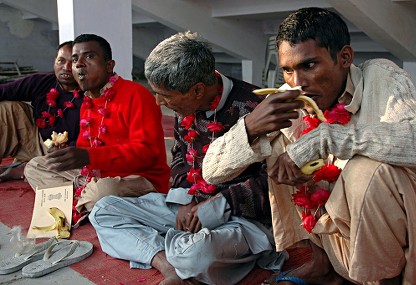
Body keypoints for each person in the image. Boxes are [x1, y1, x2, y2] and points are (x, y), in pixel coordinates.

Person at [202, 7, 416, 285]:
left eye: (309, 65)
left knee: (366, 172)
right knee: (280, 149)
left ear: (344, 57)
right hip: (338, 249)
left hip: (406, 256)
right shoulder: (290, 100)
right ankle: (323, 264)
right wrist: (250, 126)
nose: (298, 83)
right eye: (287, 70)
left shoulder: (382, 78)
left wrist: (324, 139)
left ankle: (382, 280)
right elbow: (212, 172)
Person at [89, 31, 285, 285]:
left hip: (241, 221)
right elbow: (181, 155)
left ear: (197, 90)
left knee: (196, 256)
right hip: (191, 208)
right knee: (104, 210)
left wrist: (216, 205)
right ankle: (166, 263)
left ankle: (177, 251)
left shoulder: (256, 109)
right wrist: (184, 197)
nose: (158, 102)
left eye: (165, 95)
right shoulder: (187, 106)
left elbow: (273, 182)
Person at [24, 34, 170, 223]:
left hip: (140, 177)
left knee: (103, 192)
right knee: (35, 167)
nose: (78, 64)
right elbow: (88, 148)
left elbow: (147, 153)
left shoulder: (136, 95)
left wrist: (89, 156)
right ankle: (87, 204)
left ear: (109, 65)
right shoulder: (88, 100)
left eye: (89, 57)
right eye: (75, 59)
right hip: (97, 175)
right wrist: (71, 156)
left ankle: (77, 202)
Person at [0, 41, 82, 182]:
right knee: (6, 109)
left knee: (85, 176)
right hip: (34, 140)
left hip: (66, 154)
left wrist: (67, 149)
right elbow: (4, 91)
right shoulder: (43, 82)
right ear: (54, 61)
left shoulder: (91, 93)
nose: (66, 67)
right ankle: (25, 166)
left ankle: (26, 169)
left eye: (73, 62)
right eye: (61, 60)